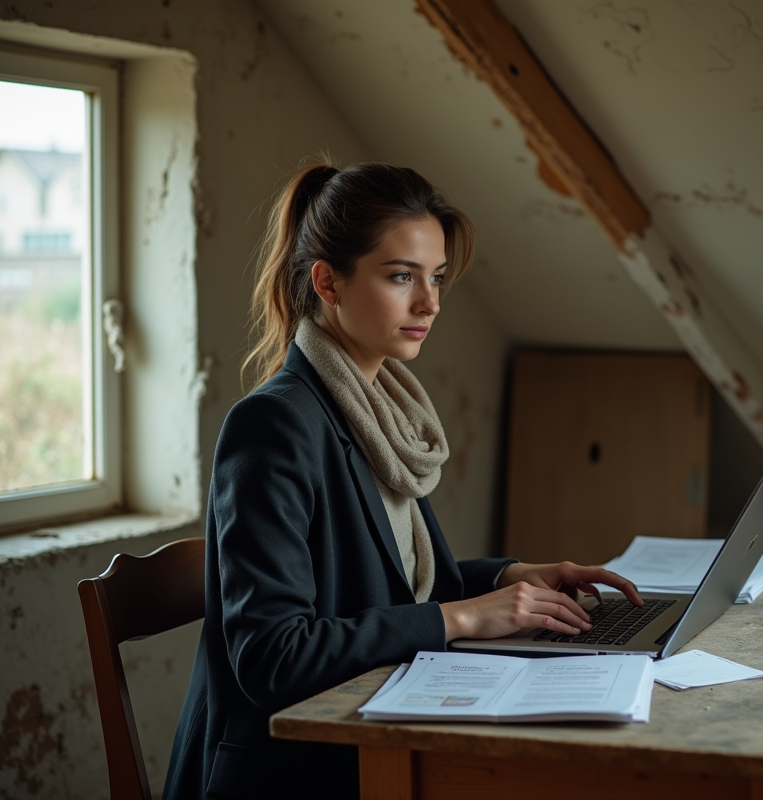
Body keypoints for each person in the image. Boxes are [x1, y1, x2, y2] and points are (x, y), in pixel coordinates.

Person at [163, 162, 642, 799]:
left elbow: (385, 585)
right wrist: (465, 618)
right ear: (327, 281)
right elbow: (274, 657)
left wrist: (509, 581)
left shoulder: (378, 410)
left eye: (437, 278)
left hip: (366, 737)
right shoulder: (275, 425)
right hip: (289, 773)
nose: (430, 303)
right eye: (401, 277)